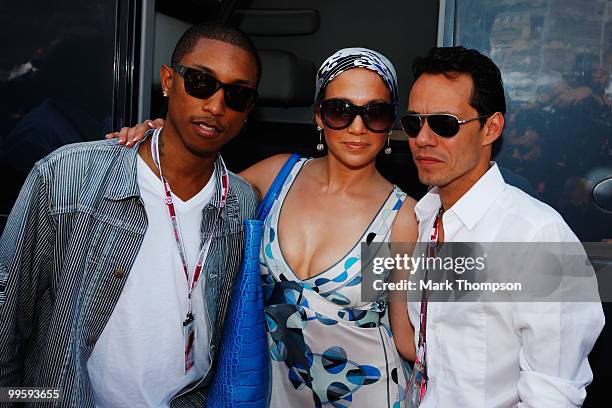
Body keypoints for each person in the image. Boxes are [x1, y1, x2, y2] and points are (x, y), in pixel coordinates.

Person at [110, 47, 419, 407]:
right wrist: (162, 139)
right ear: (318, 115)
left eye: (375, 113)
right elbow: (187, 200)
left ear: (392, 122)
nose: (357, 127)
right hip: (271, 396)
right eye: (340, 111)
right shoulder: (275, 177)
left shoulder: (405, 217)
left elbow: (409, 341)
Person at [0, 22, 260, 407]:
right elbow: (7, 322)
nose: (216, 106)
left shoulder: (243, 203)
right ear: (168, 81)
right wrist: (27, 400)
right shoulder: (66, 177)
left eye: (237, 94)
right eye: (201, 83)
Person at [392, 46, 604, 407]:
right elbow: (419, 348)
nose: (423, 139)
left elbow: (552, 396)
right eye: (414, 123)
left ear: (491, 127)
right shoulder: (421, 218)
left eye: (444, 124)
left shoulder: (539, 236)